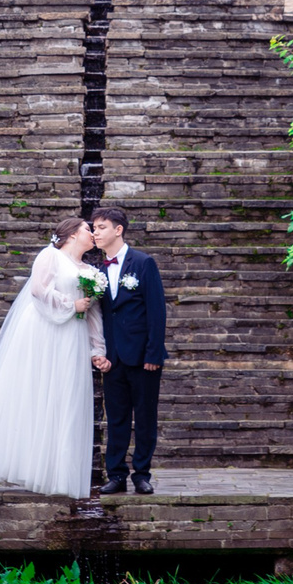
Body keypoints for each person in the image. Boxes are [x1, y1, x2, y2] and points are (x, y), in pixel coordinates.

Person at [0, 213, 106, 495]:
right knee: (32, 393)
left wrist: (98, 348)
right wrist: (71, 304)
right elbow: (39, 290)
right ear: (72, 233)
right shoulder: (50, 256)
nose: (93, 233)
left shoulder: (89, 270)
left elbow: (92, 312)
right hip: (44, 333)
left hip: (73, 338)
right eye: (87, 229)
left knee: (65, 398)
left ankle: (55, 475)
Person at [88, 205, 167, 494]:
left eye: (101, 228)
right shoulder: (96, 271)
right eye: (93, 228)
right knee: (116, 418)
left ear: (118, 230)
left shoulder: (143, 263)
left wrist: (153, 353)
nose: (95, 233)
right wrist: (99, 352)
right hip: (113, 359)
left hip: (143, 357)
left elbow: (157, 311)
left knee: (145, 417)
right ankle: (117, 474)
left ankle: (142, 474)